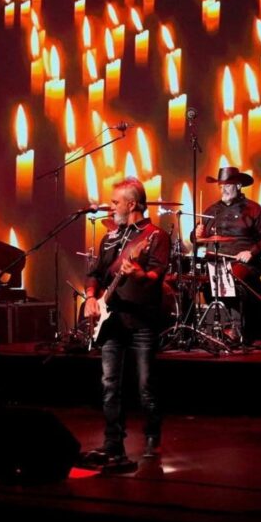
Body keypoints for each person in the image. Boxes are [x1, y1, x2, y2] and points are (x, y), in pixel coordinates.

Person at [84, 178, 169, 463]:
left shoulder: (156, 236)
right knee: (110, 384)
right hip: (111, 321)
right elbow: (94, 274)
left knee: (146, 385)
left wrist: (139, 275)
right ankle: (113, 442)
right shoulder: (110, 237)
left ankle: (152, 437)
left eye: (115, 202)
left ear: (132, 204)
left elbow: (156, 277)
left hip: (142, 320)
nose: (111, 207)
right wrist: (91, 298)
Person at [194, 166, 261, 345]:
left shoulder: (253, 210)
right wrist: (196, 234)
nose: (223, 189)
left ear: (239, 185)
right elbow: (196, 238)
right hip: (215, 264)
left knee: (235, 277)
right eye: (220, 186)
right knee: (203, 279)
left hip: (243, 264)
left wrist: (252, 252)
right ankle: (217, 329)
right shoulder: (211, 211)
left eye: (227, 185)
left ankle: (243, 331)